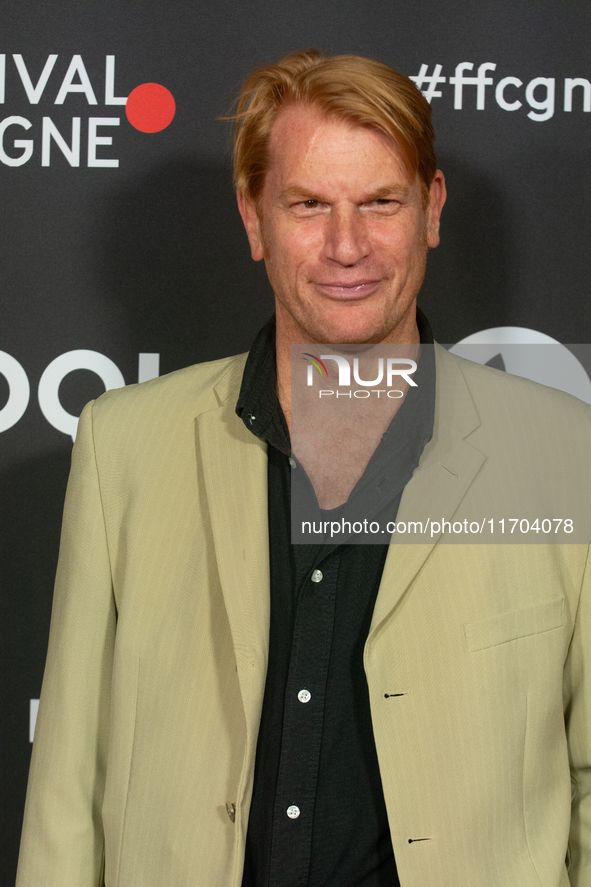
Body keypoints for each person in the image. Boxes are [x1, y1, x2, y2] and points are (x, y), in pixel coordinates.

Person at [16, 50, 591, 887]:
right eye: (308, 204)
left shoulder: (563, 452)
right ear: (253, 219)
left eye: (380, 203)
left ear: (430, 209)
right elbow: (67, 788)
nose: (346, 245)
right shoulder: (125, 446)